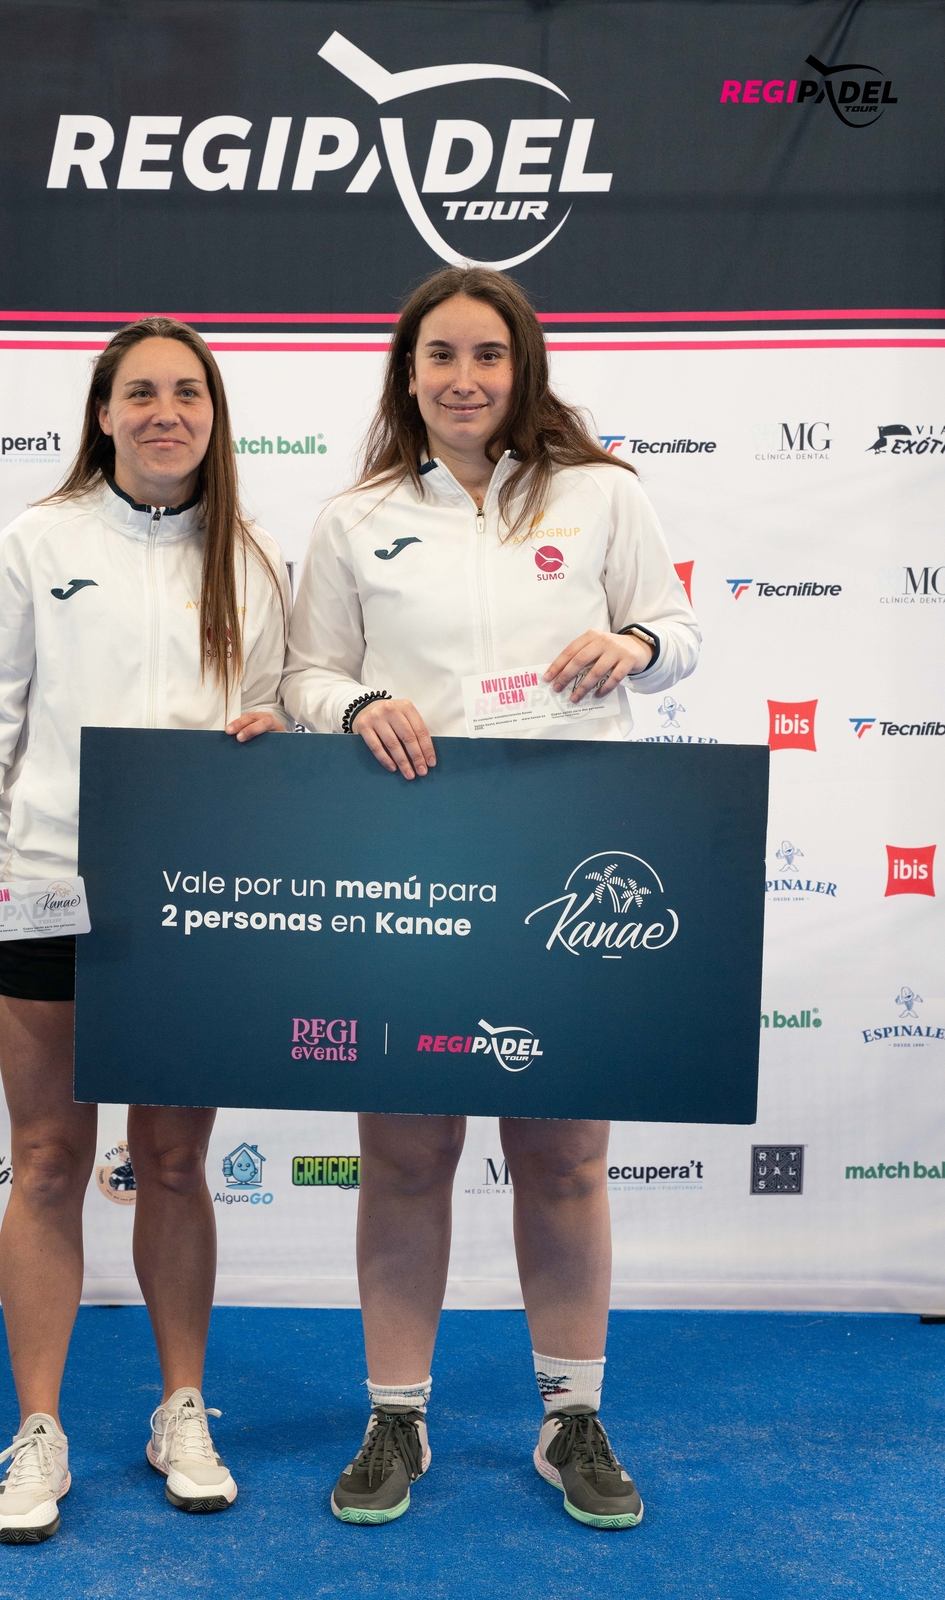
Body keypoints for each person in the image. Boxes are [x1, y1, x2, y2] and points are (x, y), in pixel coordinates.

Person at [282, 266, 699, 1530]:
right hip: (411, 859)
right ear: (406, 374)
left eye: (486, 356)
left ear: (523, 370)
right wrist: (359, 703)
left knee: (562, 1153)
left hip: (570, 859)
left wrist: (632, 645)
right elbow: (304, 674)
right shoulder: (354, 517)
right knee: (406, 1152)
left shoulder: (602, 492)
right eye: (440, 356)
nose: (463, 379)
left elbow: (675, 632)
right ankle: (393, 1414)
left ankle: (570, 1415)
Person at [0, 318, 289, 1542]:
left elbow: (275, 719)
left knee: (173, 1162)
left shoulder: (251, 560)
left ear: (214, 415)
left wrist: (273, 734)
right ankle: (39, 1430)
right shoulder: (37, 541)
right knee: (45, 1161)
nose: (164, 411)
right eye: (141, 392)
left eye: (188, 392)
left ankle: (181, 1408)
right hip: (41, 892)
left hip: (188, 905)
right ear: (103, 411)